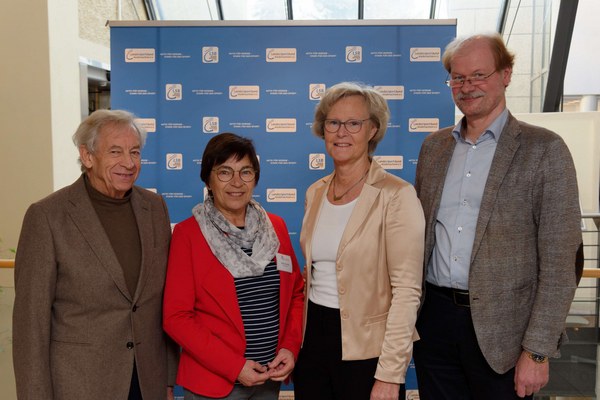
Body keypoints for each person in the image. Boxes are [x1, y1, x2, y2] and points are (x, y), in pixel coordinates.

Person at [413, 33, 583, 399]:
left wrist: (537, 350)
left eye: (479, 75)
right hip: (435, 325)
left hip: (506, 336)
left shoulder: (545, 150)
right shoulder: (433, 149)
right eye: (457, 78)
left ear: (505, 75)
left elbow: (560, 262)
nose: (467, 86)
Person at [12, 109, 179, 399]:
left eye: (135, 152)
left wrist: (166, 379)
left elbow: (159, 304)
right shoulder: (48, 216)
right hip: (80, 384)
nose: (128, 163)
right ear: (87, 156)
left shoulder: (155, 208)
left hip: (146, 381)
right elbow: (31, 325)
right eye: (115, 151)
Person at [294, 82, 425, 400]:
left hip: (368, 352)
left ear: (373, 130)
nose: (342, 133)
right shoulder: (316, 192)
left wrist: (391, 374)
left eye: (354, 123)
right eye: (333, 123)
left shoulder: (396, 195)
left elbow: (407, 293)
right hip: (312, 342)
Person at [162, 132, 305, 400]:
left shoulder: (276, 228)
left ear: (256, 178)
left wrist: (289, 347)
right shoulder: (188, 234)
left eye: (245, 172)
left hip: (268, 378)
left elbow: (296, 293)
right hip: (215, 384)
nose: (236, 182)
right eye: (225, 172)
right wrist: (234, 366)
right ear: (208, 179)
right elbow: (177, 317)